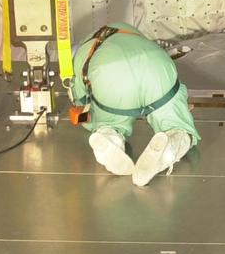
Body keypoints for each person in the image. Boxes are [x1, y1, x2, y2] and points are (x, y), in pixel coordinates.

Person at [71, 23, 201, 186]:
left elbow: (82, 103)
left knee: (109, 122)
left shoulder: (81, 56)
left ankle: (109, 138)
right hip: (156, 62)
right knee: (179, 127)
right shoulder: (126, 30)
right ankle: (170, 146)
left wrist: (92, 120)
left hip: (110, 73)